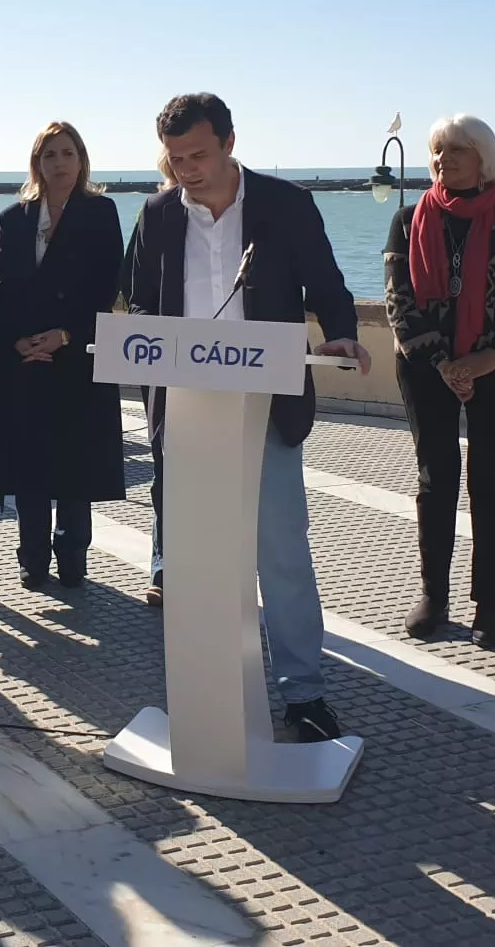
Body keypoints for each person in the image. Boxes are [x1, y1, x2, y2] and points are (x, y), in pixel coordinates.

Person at [122, 93, 370, 744]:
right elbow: (141, 304)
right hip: (189, 409)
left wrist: (341, 334)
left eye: (198, 155)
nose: (187, 170)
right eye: (176, 159)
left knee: (281, 551)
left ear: (230, 142)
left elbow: (327, 284)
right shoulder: (154, 215)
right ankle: (207, 690)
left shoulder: (285, 205)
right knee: (197, 561)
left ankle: (305, 695)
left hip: (266, 406)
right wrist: (162, 345)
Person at [383, 115, 495, 648]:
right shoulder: (409, 219)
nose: (442, 159)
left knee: (490, 482)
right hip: (425, 368)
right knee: (436, 481)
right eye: (436, 150)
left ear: (484, 157)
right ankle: (434, 594)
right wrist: (445, 364)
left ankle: (490, 603)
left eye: (456, 150)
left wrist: (486, 360)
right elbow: (399, 302)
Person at [0, 122, 126, 589]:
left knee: (76, 462)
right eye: (50, 155)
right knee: (29, 462)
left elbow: (105, 283)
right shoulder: (14, 218)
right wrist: (20, 339)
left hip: (76, 354)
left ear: (82, 160)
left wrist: (65, 334)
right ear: (37, 163)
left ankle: (73, 556)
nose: (60, 163)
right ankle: (32, 556)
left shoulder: (101, 212)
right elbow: (1, 282)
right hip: (23, 356)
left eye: (68, 153)